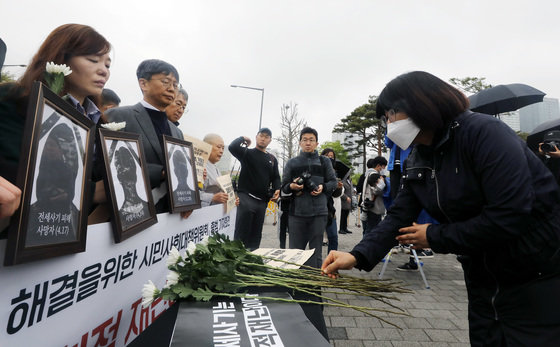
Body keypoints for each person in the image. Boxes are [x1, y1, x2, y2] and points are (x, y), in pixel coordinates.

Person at [322, 71, 560, 346]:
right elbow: (399, 214)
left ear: (419, 105)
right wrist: (358, 255)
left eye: (391, 115)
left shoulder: (484, 134)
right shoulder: (418, 156)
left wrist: (434, 236)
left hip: (536, 271)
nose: (388, 125)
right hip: (481, 273)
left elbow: (511, 214)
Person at [0, 24, 112, 234]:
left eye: (107, 64)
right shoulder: (15, 99)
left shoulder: (102, 125)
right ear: (61, 58)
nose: (103, 70)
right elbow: (14, 171)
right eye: (93, 60)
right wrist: (91, 192)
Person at [106, 59, 185, 215]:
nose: (171, 89)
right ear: (143, 84)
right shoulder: (118, 116)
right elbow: (110, 166)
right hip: (133, 213)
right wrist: (161, 173)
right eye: (165, 82)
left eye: (175, 85)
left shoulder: (177, 132)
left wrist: (186, 201)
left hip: (171, 216)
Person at [282, 127, 337, 268]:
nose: (308, 143)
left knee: (316, 254)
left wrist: (323, 187)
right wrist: (292, 187)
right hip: (296, 214)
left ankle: (314, 286)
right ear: (300, 142)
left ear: (317, 143)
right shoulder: (291, 163)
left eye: (311, 140)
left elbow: (333, 182)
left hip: (319, 214)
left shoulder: (325, 161)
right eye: (305, 140)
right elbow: (284, 187)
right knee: (294, 254)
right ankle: (294, 287)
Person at [229, 128, 281, 250]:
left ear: (270, 140)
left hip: (262, 202)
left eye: (266, 137)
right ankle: (237, 261)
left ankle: (251, 262)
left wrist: (277, 188)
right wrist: (243, 138)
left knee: (256, 235)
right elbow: (232, 147)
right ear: (256, 137)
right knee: (241, 234)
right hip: (246, 198)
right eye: (261, 135)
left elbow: (276, 177)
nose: (263, 138)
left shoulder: (272, 159)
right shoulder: (247, 153)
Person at [113, 146, 150, 230]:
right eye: (125, 176)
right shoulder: (120, 216)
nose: (129, 183)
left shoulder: (148, 207)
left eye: (131, 174)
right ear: (119, 178)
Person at [320, 148, 342, 253]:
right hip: (317, 208)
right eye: (327, 156)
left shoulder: (334, 174)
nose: (330, 158)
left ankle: (331, 263)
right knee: (316, 238)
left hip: (329, 209)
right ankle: (314, 264)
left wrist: (338, 187)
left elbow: (335, 195)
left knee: (333, 236)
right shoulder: (317, 170)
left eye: (332, 157)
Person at [360, 156, 387, 234]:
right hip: (374, 208)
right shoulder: (374, 175)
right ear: (378, 166)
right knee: (371, 232)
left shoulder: (368, 174)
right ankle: (365, 246)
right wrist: (382, 183)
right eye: (383, 167)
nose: (383, 170)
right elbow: (376, 190)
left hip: (369, 206)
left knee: (369, 230)